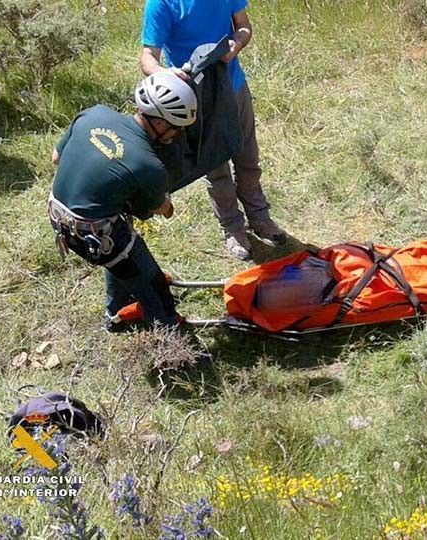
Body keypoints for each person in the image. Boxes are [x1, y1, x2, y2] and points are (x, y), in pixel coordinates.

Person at [140, 0, 287, 261]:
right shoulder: (161, 4)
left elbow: (243, 26)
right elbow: (148, 57)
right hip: (197, 98)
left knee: (248, 158)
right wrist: (168, 75)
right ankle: (232, 229)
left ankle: (260, 217)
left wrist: (236, 44)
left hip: (234, 87)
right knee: (216, 167)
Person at [48, 72, 198, 330]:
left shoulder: (94, 113)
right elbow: (157, 209)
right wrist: (167, 204)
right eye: (176, 126)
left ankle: (116, 314)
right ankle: (172, 343)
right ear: (161, 124)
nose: (177, 133)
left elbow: (55, 158)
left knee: (120, 259)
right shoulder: (149, 166)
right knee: (155, 287)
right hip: (94, 234)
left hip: (57, 215)